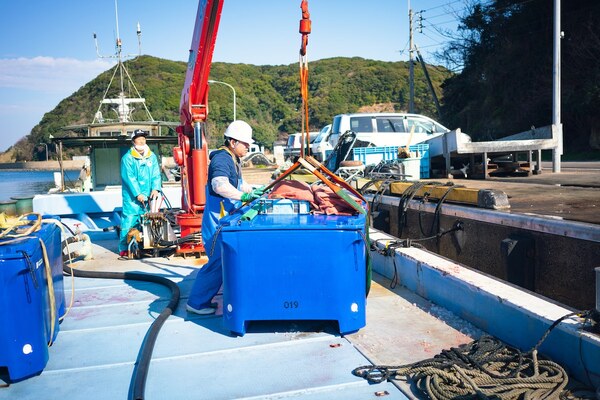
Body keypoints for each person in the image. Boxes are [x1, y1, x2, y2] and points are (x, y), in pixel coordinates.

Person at [186, 120, 264, 315]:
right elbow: (219, 185)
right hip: (217, 224)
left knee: (222, 262)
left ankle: (202, 300)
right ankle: (196, 303)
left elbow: (238, 184)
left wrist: (254, 190)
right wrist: (245, 197)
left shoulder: (233, 159)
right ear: (232, 142)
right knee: (216, 263)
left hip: (225, 221)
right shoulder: (222, 159)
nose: (248, 147)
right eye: (245, 143)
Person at [119, 129, 162, 257]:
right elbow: (129, 177)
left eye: (143, 139)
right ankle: (124, 248)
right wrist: (137, 193)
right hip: (132, 198)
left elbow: (156, 174)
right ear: (133, 141)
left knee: (147, 221)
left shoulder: (152, 156)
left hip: (148, 197)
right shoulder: (127, 158)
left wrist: (155, 188)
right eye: (139, 139)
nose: (141, 141)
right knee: (130, 220)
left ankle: (145, 245)